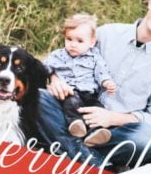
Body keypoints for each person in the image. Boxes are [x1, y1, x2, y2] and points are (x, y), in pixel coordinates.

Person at [37, 0, 151, 169]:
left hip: (115, 132)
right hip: (74, 108)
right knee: (38, 98)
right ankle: (97, 165)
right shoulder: (107, 33)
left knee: (146, 140)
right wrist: (55, 79)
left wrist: (112, 118)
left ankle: (67, 148)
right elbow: (66, 55)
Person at [43, 13, 116, 141]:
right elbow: (45, 68)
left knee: (97, 108)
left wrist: (107, 82)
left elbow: (101, 72)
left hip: (90, 94)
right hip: (69, 92)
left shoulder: (94, 57)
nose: (73, 44)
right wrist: (50, 75)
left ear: (92, 42)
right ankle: (76, 124)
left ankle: (96, 132)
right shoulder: (58, 56)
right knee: (71, 102)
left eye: (80, 41)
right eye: (69, 39)